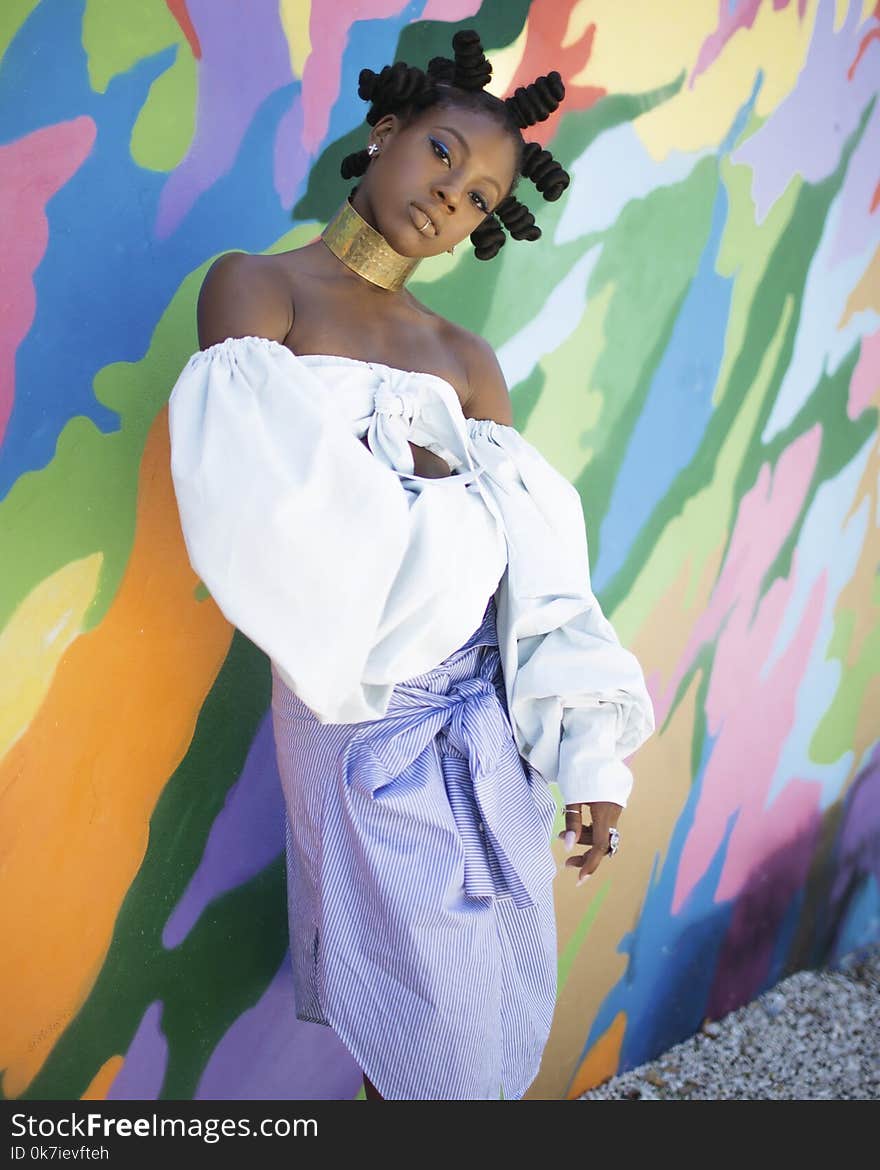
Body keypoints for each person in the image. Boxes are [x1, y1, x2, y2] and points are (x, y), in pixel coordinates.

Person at [167, 29, 655, 1100]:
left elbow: (534, 577)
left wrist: (587, 757)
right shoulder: (257, 293)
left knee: (478, 1015)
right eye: (441, 154)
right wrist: (442, 496)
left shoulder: (466, 362)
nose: (450, 197)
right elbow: (278, 523)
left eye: (481, 198)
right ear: (383, 131)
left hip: (495, 723)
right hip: (363, 717)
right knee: (424, 1020)